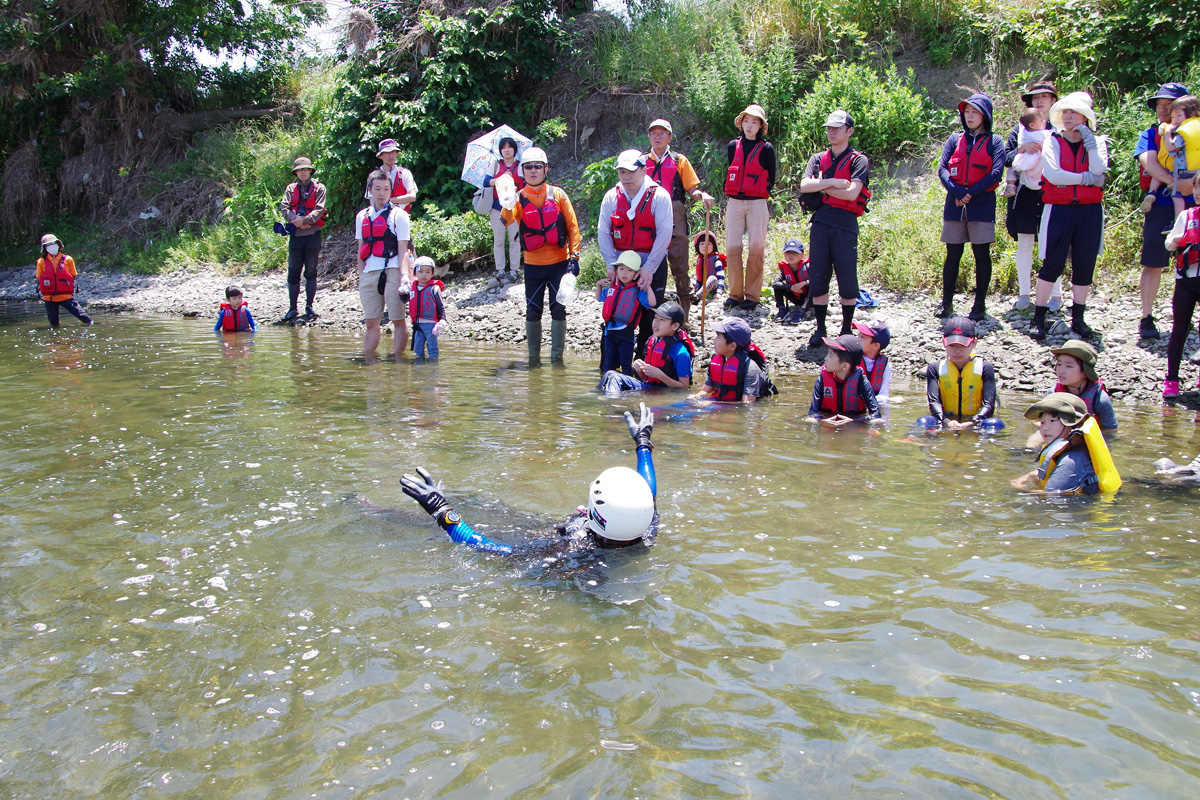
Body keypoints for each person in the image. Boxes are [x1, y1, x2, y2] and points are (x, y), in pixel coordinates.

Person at [400, 403, 659, 554]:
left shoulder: (572, 552)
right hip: (559, 533)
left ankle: (375, 510)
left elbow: (496, 550)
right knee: (481, 506)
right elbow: (649, 489)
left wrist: (443, 513)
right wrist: (643, 443)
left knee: (476, 514)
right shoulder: (643, 526)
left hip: (546, 539)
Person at [1031, 91, 1108, 340]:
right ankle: (1038, 317)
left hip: (1089, 211)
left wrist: (1090, 142)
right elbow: (1054, 175)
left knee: (1085, 264)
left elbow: (1099, 168)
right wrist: (1087, 179)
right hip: (1059, 209)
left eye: (1073, 112)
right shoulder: (1052, 141)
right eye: (1065, 112)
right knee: (1052, 263)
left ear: (1085, 117)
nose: (1068, 117)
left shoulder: (1098, 143)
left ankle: (1079, 318)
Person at [500, 147, 582, 364]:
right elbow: (507, 220)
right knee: (533, 310)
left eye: (538, 166)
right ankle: (533, 360)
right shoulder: (517, 198)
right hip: (533, 265)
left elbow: (573, 226)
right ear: (522, 170)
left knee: (558, 308)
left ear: (545, 169)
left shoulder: (558, 195)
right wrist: (507, 200)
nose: (533, 171)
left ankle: (557, 360)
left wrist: (575, 257)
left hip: (559, 263)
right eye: (528, 167)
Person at [799, 109, 870, 348]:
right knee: (818, 276)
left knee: (847, 278)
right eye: (829, 128)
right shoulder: (818, 158)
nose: (831, 132)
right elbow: (804, 184)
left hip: (846, 225)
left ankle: (846, 328)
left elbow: (852, 194)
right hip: (821, 223)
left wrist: (821, 188)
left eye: (837, 128)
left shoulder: (859, 160)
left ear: (849, 131)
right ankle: (820, 328)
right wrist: (831, 183)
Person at [597, 149, 673, 357]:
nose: (626, 177)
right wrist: (611, 264)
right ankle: (609, 367)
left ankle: (644, 367)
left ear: (644, 169)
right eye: (622, 172)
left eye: (631, 171)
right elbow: (603, 232)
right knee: (616, 313)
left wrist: (649, 269)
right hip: (622, 264)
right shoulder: (612, 196)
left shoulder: (659, 196)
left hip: (652, 262)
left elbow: (665, 234)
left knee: (650, 317)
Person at [936, 93, 1005, 321]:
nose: (970, 116)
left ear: (985, 115)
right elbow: (943, 169)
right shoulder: (954, 140)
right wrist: (957, 192)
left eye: (975, 111)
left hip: (981, 204)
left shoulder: (995, 141)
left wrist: (968, 194)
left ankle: (979, 305)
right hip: (954, 203)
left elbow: (996, 173)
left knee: (981, 254)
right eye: (967, 111)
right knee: (952, 254)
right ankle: (946, 303)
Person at [1135, 82, 1192, 339]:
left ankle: (1188, 316)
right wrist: (1179, 183)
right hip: (1161, 204)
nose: (1162, 108)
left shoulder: (1195, 132)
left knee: (1194, 262)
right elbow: (1149, 163)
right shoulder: (1150, 133)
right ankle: (1146, 317)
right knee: (1153, 262)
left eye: (1168, 104)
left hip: (1193, 205)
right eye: (1159, 103)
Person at [643, 118, 715, 319]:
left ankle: (683, 316)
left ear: (670, 137)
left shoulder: (678, 160)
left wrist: (703, 196)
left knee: (680, 265)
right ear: (649, 137)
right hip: (648, 216)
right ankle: (650, 314)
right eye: (654, 133)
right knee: (649, 263)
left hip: (675, 215)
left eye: (662, 133)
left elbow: (692, 189)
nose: (657, 137)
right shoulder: (641, 162)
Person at [1003, 81, 1063, 312]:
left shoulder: (1060, 128)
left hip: (1052, 192)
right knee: (1025, 243)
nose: (1039, 101)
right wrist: (1021, 150)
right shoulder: (1020, 130)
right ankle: (1024, 293)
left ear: (1053, 101)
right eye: (1034, 98)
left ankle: (1055, 295)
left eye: (1044, 97)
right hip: (1025, 194)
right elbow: (1003, 158)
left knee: (1051, 244)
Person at [721, 105, 776, 312]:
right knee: (733, 248)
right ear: (741, 123)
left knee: (756, 248)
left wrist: (758, 191)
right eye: (746, 121)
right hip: (735, 202)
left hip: (757, 203)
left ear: (760, 126)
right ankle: (735, 294)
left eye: (754, 122)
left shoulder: (767, 148)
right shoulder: (733, 146)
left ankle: (752, 295)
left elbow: (772, 176)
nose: (749, 125)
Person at [1012, 393, 1121, 495]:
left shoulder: (1071, 461)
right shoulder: (1073, 448)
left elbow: (1050, 496)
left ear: (1073, 425)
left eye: (1053, 421)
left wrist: (1021, 489)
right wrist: (1033, 475)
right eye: (1043, 422)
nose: (1045, 428)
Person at [355, 169, 412, 360]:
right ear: (370, 189)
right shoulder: (362, 216)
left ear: (390, 191)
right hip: (370, 272)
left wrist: (405, 275)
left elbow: (403, 248)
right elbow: (361, 248)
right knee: (371, 322)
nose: (381, 193)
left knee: (398, 319)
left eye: (386, 189)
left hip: (393, 270)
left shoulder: (399, 215)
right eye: (377, 189)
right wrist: (361, 274)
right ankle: (370, 362)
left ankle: (398, 361)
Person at [918, 316, 1001, 431]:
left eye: (962, 345)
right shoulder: (935, 368)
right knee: (924, 421)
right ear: (944, 343)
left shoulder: (985, 367)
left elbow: (988, 405)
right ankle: (913, 439)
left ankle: (986, 446)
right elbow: (934, 403)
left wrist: (972, 421)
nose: (957, 350)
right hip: (945, 420)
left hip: (976, 421)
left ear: (974, 343)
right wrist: (947, 421)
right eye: (952, 345)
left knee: (994, 423)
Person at [599, 301, 695, 392]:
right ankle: (607, 402)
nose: (656, 323)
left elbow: (684, 387)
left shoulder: (681, 353)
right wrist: (640, 369)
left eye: (662, 320)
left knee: (615, 378)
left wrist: (659, 375)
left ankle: (610, 404)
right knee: (609, 374)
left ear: (675, 326)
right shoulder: (653, 341)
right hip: (650, 389)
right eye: (655, 318)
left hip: (663, 393)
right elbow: (646, 378)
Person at [279, 157, 327, 324]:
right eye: (300, 170)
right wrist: (296, 220)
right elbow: (284, 208)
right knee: (293, 272)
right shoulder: (291, 189)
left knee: (311, 272)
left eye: (306, 169)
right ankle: (293, 308)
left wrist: (304, 221)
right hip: (296, 237)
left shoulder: (319, 188)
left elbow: (319, 209)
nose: (303, 172)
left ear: (311, 171)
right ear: (296, 172)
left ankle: (309, 307)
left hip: (313, 235)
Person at [596, 250, 656, 376]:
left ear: (636, 273)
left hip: (626, 333)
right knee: (608, 364)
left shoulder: (637, 291)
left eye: (629, 270)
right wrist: (599, 286)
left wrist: (648, 286)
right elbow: (599, 298)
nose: (624, 273)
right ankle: (607, 387)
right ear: (616, 270)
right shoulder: (612, 288)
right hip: (609, 332)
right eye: (621, 269)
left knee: (625, 364)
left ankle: (627, 390)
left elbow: (652, 303)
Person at [1163, 201, 1200, 396]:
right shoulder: (1186, 216)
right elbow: (1168, 244)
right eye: (1196, 189)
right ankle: (1172, 380)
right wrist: (1178, 238)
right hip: (1185, 281)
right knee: (1179, 329)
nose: (1198, 193)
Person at [804, 334, 882, 425]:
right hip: (828, 421)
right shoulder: (821, 381)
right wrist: (823, 421)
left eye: (830, 356)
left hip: (853, 424)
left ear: (845, 366)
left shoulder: (862, 382)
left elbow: (877, 416)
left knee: (878, 423)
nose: (825, 359)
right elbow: (812, 414)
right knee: (809, 420)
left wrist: (854, 421)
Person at [697, 317, 775, 403]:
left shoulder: (750, 368)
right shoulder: (716, 360)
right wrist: (696, 397)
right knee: (682, 407)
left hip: (732, 407)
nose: (714, 340)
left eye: (718, 337)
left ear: (732, 346)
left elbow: (747, 404)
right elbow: (705, 390)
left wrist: (712, 404)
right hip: (718, 402)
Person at [1047, 339, 1117, 431]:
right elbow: (1043, 426)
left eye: (1069, 366)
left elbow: (1110, 432)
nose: (1061, 371)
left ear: (1085, 372)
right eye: (1059, 364)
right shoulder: (1052, 394)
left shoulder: (1100, 399)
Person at [481, 136, 524, 283]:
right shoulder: (495, 164)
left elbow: (525, 184)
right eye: (503, 147)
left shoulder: (520, 165)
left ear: (514, 149)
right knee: (498, 240)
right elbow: (486, 181)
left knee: (514, 239)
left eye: (509, 147)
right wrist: (500, 179)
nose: (506, 150)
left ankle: (514, 269)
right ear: (500, 150)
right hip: (496, 207)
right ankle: (500, 269)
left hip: (513, 207)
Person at [1154, 96, 1200, 223]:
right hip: (1197, 171)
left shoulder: (1182, 132)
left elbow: (1170, 147)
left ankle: (1178, 221)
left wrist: (1167, 132)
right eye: (1173, 117)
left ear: (1192, 114)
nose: (1175, 120)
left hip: (1184, 171)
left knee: (1176, 195)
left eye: (1178, 116)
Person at [35, 233, 92, 328]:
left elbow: (73, 275)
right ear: (45, 248)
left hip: (66, 296)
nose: (51, 246)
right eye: (48, 245)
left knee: (86, 319)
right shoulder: (41, 261)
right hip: (49, 298)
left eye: (53, 243)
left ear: (58, 245)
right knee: (54, 325)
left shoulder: (68, 259)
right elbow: (40, 277)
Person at [409, 256, 447, 361]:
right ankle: (419, 369)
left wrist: (442, 320)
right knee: (418, 349)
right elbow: (403, 299)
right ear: (415, 272)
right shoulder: (412, 288)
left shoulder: (434, 288)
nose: (424, 274)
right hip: (417, 324)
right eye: (420, 271)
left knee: (432, 349)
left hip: (431, 325)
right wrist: (401, 292)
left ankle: (433, 369)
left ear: (432, 273)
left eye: (427, 272)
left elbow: (440, 306)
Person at [373, 138, 418, 214]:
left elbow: (412, 197)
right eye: (387, 152)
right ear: (380, 156)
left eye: (393, 152)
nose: (391, 155)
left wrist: (389, 200)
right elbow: (373, 201)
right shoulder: (374, 176)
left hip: (403, 218)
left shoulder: (405, 173)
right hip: (381, 219)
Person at [772, 239, 810, 325]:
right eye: (788, 253)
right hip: (796, 298)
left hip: (809, 299)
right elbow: (775, 283)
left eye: (795, 253)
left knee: (813, 288)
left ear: (802, 255)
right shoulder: (784, 269)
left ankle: (802, 311)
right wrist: (791, 287)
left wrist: (804, 282)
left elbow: (817, 282)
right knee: (778, 287)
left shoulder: (807, 267)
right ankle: (782, 309)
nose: (791, 255)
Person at [853, 319, 892, 401]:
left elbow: (884, 394)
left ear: (876, 346)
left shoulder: (885, 366)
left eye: (862, 337)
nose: (857, 339)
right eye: (858, 335)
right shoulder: (851, 359)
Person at [691, 230, 726, 303]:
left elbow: (721, 277)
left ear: (714, 247)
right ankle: (686, 294)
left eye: (709, 244)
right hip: (700, 284)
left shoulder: (716, 259)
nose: (705, 246)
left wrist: (719, 291)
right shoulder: (700, 259)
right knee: (688, 280)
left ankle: (696, 297)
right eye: (702, 244)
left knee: (712, 278)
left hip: (713, 284)